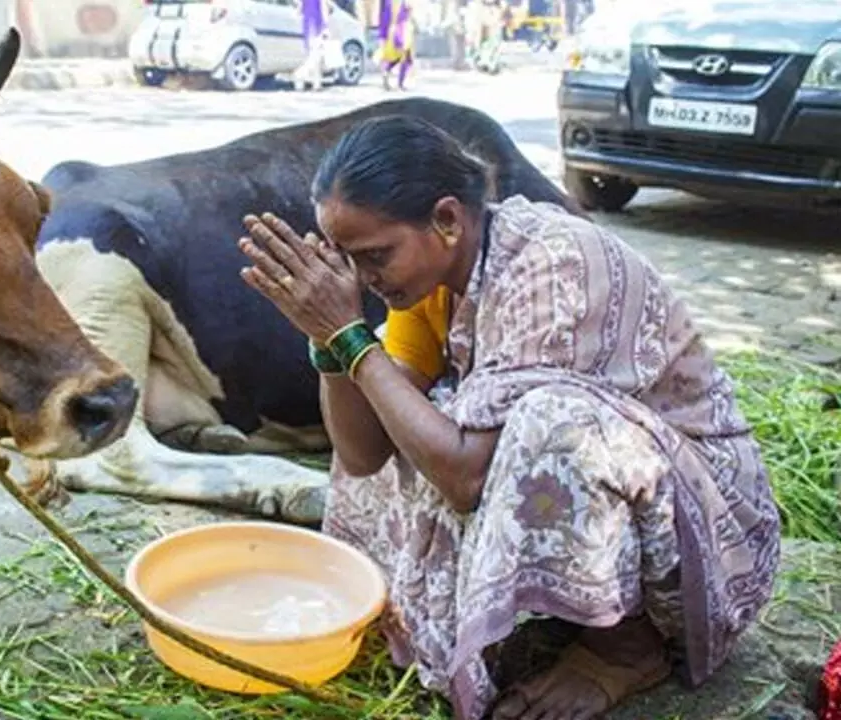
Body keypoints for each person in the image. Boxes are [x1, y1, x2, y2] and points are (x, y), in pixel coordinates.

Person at [235, 115, 781, 720]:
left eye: (375, 256)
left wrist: (352, 338)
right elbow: (363, 457)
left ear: (447, 220)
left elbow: (465, 478)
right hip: (631, 497)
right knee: (399, 405)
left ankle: (627, 648)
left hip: (707, 518)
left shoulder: (553, 264)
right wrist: (328, 342)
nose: (361, 279)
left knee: (551, 422)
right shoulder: (432, 281)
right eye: (346, 260)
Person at [375, 0, 416, 91]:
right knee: (405, 57)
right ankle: (400, 84)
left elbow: (383, 16)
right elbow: (409, 8)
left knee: (398, 57)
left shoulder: (387, 2)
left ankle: (386, 72)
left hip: (391, 31)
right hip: (402, 29)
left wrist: (383, 34)